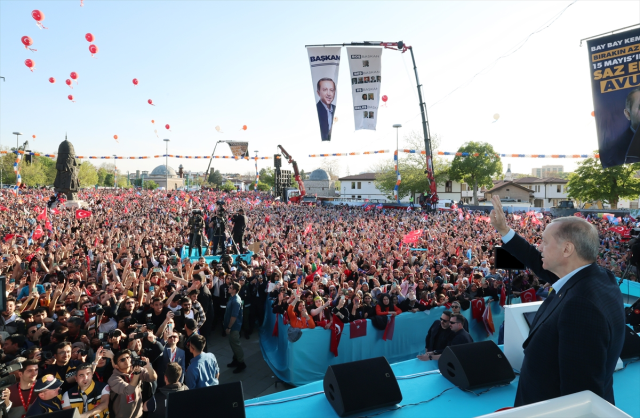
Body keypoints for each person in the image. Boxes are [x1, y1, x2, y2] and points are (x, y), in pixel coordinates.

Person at [489, 195, 625, 407]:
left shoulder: (580, 307)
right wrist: (504, 230)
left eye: (544, 242)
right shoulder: (596, 277)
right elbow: (535, 260)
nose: (539, 247)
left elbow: (578, 399)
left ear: (567, 249)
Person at [108, 349, 157, 418]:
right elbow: (128, 390)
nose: (126, 360)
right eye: (122, 360)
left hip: (139, 415)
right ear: (116, 366)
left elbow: (152, 378)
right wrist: (136, 374)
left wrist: (149, 367)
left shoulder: (137, 369)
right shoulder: (113, 379)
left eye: (128, 357)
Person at [224, 282, 246, 373]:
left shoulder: (236, 301)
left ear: (234, 290)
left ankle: (241, 363)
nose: (228, 288)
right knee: (232, 343)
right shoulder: (232, 298)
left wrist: (229, 327)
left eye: (230, 287)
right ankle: (235, 360)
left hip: (234, 327)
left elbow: (234, 316)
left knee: (236, 345)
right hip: (232, 326)